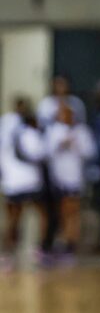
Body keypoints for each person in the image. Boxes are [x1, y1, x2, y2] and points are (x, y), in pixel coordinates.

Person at [0, 97, 47, 268]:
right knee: (18, 216)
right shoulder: (20, 127)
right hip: (22, 179)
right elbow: (39, 153)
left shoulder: (12, 125)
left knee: (17, 216)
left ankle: (11, 251)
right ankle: (16, 249)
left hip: (17, 180)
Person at [45, 103, 96, 256]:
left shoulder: (82, 131)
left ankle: (71, 241)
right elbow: (46, 152)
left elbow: (90, 152)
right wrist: (61, 144)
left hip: (75, 178)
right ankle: (61, 239)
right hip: (57, 178)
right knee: (59, 211)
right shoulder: (54, 131)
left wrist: (76, 143)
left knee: (72, 210)